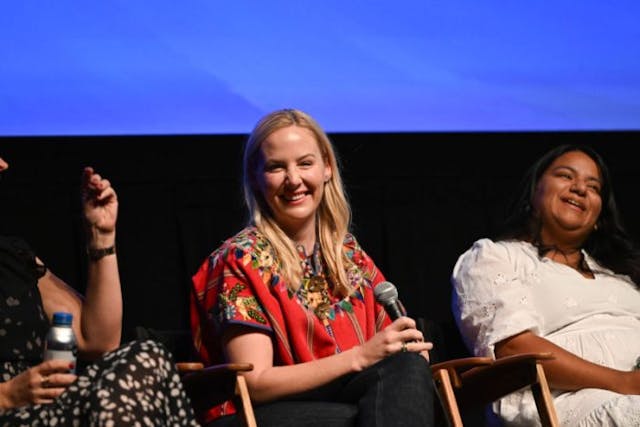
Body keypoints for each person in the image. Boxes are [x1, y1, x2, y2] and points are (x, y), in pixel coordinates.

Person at [190, 108, 435, 427]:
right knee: (352, 419)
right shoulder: (240, 259)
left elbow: (392, 357)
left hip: (344, 401)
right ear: (255, 178)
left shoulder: (348, 254)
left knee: (407, 369)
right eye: (276, 167)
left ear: (327, 169)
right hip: (260, 414)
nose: (294, 180)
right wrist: (360, 357)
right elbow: (254, 383)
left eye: (305, 163)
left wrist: (408, 352)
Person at [0, 156, 199, 426]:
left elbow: (97, 341)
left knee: (147, 356)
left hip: (43, 412)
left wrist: (101, 237)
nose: (3, 164)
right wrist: (6, 396)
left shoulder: (11, 257)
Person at [451, 144, 640, 426]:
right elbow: (514, 349)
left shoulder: (621, 275)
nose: (580, 189)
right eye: (566, 176)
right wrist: (625, 383)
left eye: (594, 186)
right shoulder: (494, 257)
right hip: (558, 400)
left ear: (600, 218)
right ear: (533, 193)